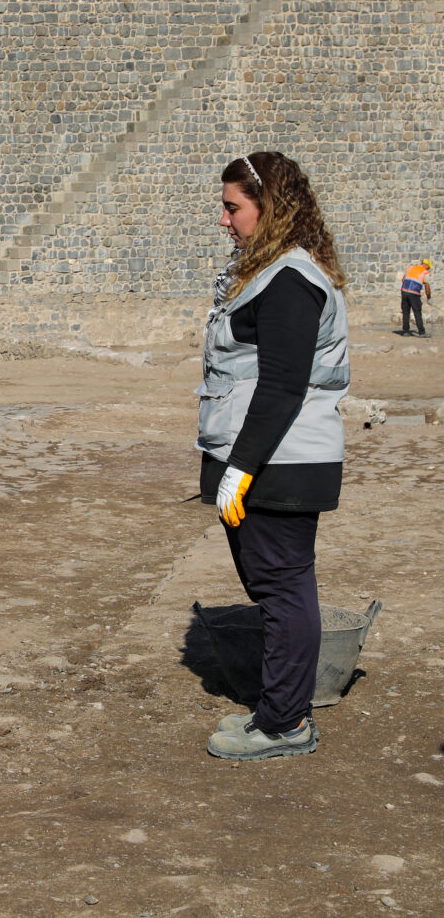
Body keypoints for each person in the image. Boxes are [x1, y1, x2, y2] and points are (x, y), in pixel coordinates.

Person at [199, 151, 348, 760]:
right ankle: (279, 712)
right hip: (268, 460)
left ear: (270, 207)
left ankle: (286, 723)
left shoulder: (290, 279)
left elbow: (283, 385)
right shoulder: (272, 273)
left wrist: (240, 468)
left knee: (283, 587)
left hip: (281, 464)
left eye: (233, 208)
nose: (225, 220)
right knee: (274, 585)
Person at [399, 256, 431, 337]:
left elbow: (403, 280)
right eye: (429, 267)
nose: (428, 269)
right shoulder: (425, 272)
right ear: (426, 265)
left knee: (406, 311)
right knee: (417, 312)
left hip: (404, 291)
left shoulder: (412, 268)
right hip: (414, 293)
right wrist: (428, 297)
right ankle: (421, 332)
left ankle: (406, 331)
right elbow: (427, 287)